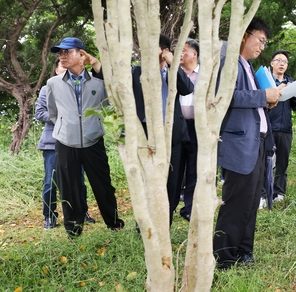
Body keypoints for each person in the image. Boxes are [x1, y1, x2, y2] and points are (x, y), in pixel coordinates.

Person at [214, 17, 281, 269]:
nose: (262, 47)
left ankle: (243, 250)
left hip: (257, 142)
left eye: (265, 43)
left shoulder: (248, 67)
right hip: (239, 144)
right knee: (236, 200)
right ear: (244, 35)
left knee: (251, 200)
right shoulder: (228, 61)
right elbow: (225, 96)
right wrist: (263, 95)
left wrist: (266, 100)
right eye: (260, 40)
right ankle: (223, 256)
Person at [46, 37, 124, 236]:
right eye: (60, 53)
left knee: (103, 185)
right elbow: (53, 112)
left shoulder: (98, 81)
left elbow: (110, 105)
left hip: (93, 140)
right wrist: (67, 127)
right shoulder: (53, 83)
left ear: (82, 55)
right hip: (65, 142)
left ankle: (114, 223)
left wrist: (97, 64)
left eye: (67, 52)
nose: (61, 56)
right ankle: (74, 228)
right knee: (69, 188)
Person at [131, 34, 194, 224]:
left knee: (173, 181)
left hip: (172, 137)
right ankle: (144, 222)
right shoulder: (137, 72)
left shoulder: (172, 72)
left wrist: (173, 65)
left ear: (164, 51)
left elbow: (187, 88)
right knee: (146, 180)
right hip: (147, 136)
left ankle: (165, 219)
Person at [36, 58, 96, 229]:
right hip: (52, 143)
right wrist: (62, 118)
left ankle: (81, 212)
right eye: (63, 66)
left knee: (79, 181)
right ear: (56, 70)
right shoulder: (47, 89)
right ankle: (49, 216)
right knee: (50, 182)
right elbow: (39, 113)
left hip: (78, 142)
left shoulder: (82, 88)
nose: (67, 69)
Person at [264, 50, 296, 205]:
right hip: (268, 127)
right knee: (265, 161)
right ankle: (263, 193)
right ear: (272, 63)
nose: (281, 64)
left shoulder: (290, 82)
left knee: (282, 163)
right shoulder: (266, 82)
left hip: (285, 128)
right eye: (278, 60)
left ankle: (279, 192)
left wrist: (293, 93)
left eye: (284, 62)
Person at [178, 38, 199, 222]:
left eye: (184, 50)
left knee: (194, 168)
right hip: (177, 126)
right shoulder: (173, 74)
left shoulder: (205, 75)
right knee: (176, 166)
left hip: (196, 127)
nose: (181, 54)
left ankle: (190, 207)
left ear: (195, 54)